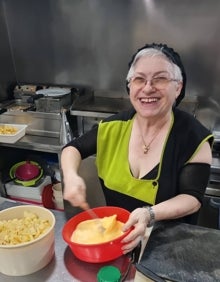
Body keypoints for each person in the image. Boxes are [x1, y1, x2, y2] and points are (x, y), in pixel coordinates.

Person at [61, 43, 213, 254]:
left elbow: (192, 198)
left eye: (160, 78)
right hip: (118, 242)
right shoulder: (113, 128)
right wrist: (70, 176)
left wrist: (148, 214)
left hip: (169, 249)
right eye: (139, 79)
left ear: (178, 87)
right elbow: (72, 149)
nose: (148, 87)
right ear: (130, 86)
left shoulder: (193, 138)